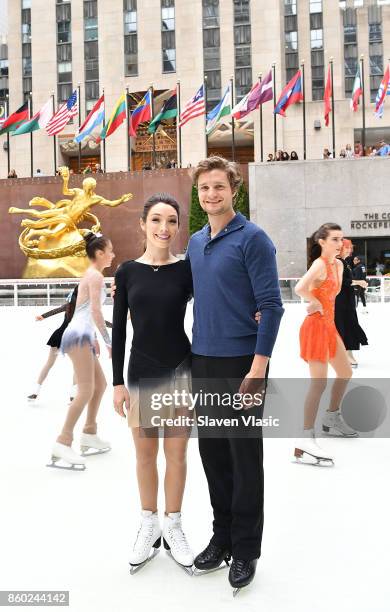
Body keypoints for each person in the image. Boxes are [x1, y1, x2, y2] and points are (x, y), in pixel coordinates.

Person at [188, 156, 284, 593]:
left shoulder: (254, 239)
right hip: (202, 360)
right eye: (204, 188)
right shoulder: (194, 242)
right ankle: (221, 536)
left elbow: (273, 305)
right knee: (213, 457)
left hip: (243, 364)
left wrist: (259, 368)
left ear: (234, 190)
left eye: (219, 187)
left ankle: (245, 548)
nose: (211, 194)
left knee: (245, 460)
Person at [112, 194, 194, 574]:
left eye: (173, 221)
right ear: (143, 224)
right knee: (145, 456)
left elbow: (215, 307)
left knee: (176, 455)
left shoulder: (187, 270)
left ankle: (173, 525)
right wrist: (116, 382)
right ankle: (149, 524)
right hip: (141, 372)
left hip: (180, 370)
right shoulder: (127, 272)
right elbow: (120, 335)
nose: (165, 228)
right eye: (157, 220)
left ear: (179, 227)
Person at [48, 232, 114, 470]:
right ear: (99, 253)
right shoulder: (95, 276)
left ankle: (89, 431)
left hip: (81, 334)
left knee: (101, 384)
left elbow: (83, 311)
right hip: (77, 335)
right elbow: (95, 312)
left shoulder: (92, 275)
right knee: (86, 390)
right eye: (110, 251)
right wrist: (108, 341)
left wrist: (94, 337)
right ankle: (63, 441)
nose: (113, 255)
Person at [295, 224, 356, 468]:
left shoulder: (339, 265)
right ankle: (305, 437)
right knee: (318, 383)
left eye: (341, 239)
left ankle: (331, 418)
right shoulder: (319, 264)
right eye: (334, 239)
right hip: (315, 328)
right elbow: (301, 288)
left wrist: (319, 303)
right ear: (322, 241)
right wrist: (314, 302)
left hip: (329, 327)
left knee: (345, 372)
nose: (339, 243)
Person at [27, 286, 79, 402]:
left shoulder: (69, 306)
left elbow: (55, 311)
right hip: (70, 337)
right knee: (77, 366)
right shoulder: (84, 309)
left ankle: (35, 391)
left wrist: (42, 316)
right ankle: (73, 396)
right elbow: (100, 322)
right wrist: (115, 325)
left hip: (59, 335)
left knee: (49, 364)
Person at [335, 239, 368, 367]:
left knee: (349, 325)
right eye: (347, 247)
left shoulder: (345, 262)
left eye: (350, 248)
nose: (350, 250)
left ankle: (348, 353)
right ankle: (345, 355)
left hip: (347, 300)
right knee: (344, 325)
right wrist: (359, 282)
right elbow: (341, 281)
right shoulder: (338, 262)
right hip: (340, 301)